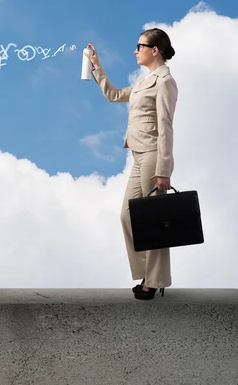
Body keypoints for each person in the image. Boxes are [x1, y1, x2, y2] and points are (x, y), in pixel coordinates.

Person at [84, 28, 178, 300]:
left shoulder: (165, 82)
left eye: (140, 46)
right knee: (128, 215)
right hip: (138, 156)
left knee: (152, 219)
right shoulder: (144, 82)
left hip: (152, 155)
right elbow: (113, 95)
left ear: (154, 50)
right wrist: (97, 67)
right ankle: (147, 274)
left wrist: (164, 168)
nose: (135, 51)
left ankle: (153, 281)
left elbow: (166, 127)